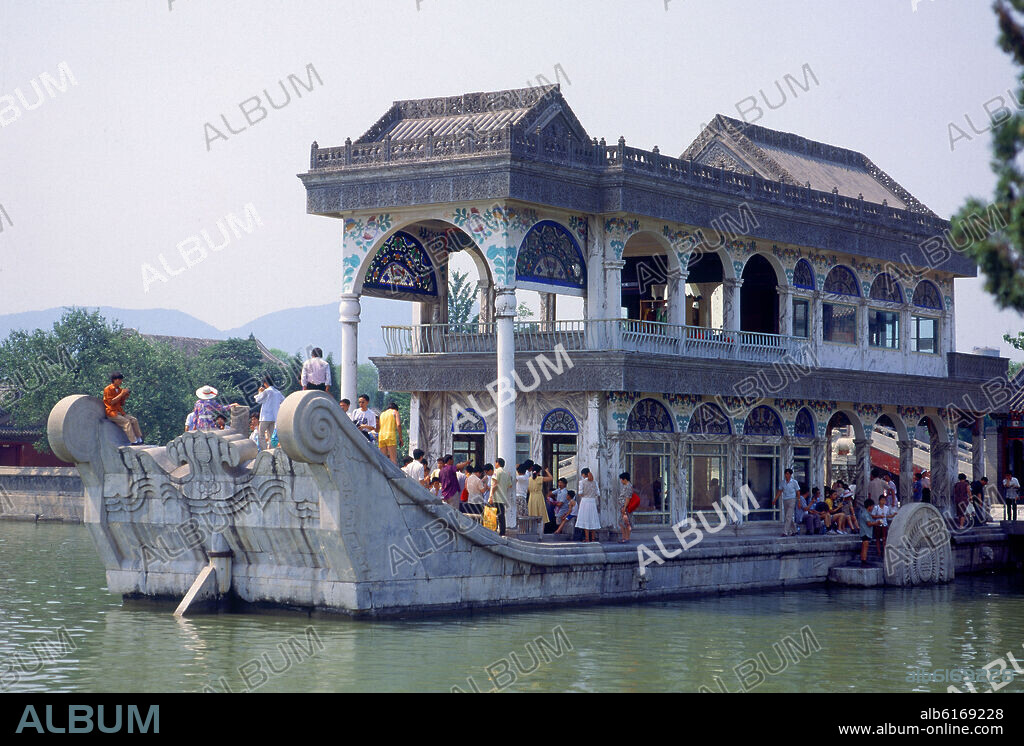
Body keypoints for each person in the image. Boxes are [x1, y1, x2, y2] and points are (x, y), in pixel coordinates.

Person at [103, 372, 143, 444]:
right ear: (114, 380)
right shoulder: (108, 389)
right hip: (111, 413)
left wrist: (124, 396)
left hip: (120, 412)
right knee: (126, 422)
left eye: (121, 380)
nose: (121, 382)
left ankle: (139, 438)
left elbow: (122, 404)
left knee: (134, 420)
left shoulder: (120, 390)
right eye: (119, 380)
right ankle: (133, 441)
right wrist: (121, 394)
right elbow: (111, 402)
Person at [254, 375, 285, 451]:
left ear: (265, 383)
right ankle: (271, 450)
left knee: (261, 435)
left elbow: (258, 400)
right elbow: (283, 401)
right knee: (271, 436)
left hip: (265, 417)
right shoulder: (278, 392)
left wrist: (260, 392)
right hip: (274, 417)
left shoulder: (267, 391)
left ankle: (264, 450)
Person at [575, 467, 601, 542]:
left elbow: (580, 493)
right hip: (592, 501)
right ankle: (593, 538)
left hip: (585, 501)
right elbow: (598, 493)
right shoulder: (595, 482)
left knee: (585, 519)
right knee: (593, 519)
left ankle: (587, 538)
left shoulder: (582, 482)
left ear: (583, 474)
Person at [489, 458, 513, 537]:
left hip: (496, 497)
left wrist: (491, 496)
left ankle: (492, 531)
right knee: (501, 516)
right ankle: (502, 532)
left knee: (492, 515)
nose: (495, 464)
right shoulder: (506, 473)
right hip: (503, 498)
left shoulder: (496, 472)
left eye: (495, 463)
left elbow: (494, 485)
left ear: (497, 463)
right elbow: (510, 485)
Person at [773, 468, 799, 537]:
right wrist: (775, 499)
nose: (786, 475)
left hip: (792, 500)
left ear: (790, 475)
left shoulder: (794, 482)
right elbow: (780, 491)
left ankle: (785, 532)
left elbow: (798, 491)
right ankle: (795, 530)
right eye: (785, 474)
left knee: (788, 516)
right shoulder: (782, 482)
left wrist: (799, 501)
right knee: (788, 516)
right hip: (785, 500)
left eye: (787, 474)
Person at [857, 498, 883, 566]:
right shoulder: (865, 514)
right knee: (865, 547)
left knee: (865, 546)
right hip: (865, 532)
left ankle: (863, 560)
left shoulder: (867, 513)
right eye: (872, 506)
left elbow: (872, 518)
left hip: (867, 532)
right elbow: (869, 523)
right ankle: (864, 560)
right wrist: (877, 523)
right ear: (869, 506)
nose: (873, 508)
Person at [527, 465, 553, 531]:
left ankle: (532, 530)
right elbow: (551, 478)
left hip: (531, 497)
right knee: (541, 514)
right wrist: (547, 471)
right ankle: (541, 531)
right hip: (538, 497)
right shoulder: (540, 478)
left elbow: (527, 490)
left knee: (532, 513)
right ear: (539, 472)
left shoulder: (529, 479)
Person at [617, 472, 634, 542]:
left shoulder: (628, 487)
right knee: (622, 522)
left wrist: (624, 507)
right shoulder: (626, 486)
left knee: (625, 523)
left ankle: (626, 538)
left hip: (626, 507)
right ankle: (624, 537)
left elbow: (627, 498)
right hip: (623, 506)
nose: (621, 481)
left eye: (621, 479)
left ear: (625, 479)